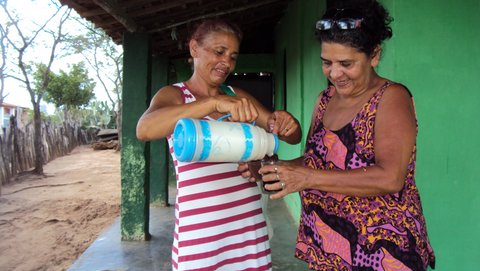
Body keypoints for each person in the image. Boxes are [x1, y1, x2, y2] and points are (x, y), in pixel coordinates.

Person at [239, 1, 436, 270]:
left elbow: (391, 177)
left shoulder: (390, 98)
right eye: (326, 63)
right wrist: (274, 169)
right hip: (330, 249)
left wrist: (306, 178)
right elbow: (315, 160)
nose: (334, 73)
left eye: (346, 63)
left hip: (381, 254)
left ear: (374, 55)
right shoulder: (324, 99)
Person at [136, 19, 301, 271]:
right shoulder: (175, 95)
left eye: (233, 56)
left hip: (247, 230)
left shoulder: (237, 96)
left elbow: (287, 135)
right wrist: (213, 104)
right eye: (219, 52)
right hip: (201, 237)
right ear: (194, 49)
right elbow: (144, 129)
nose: (227, 62)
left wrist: (287, 127)